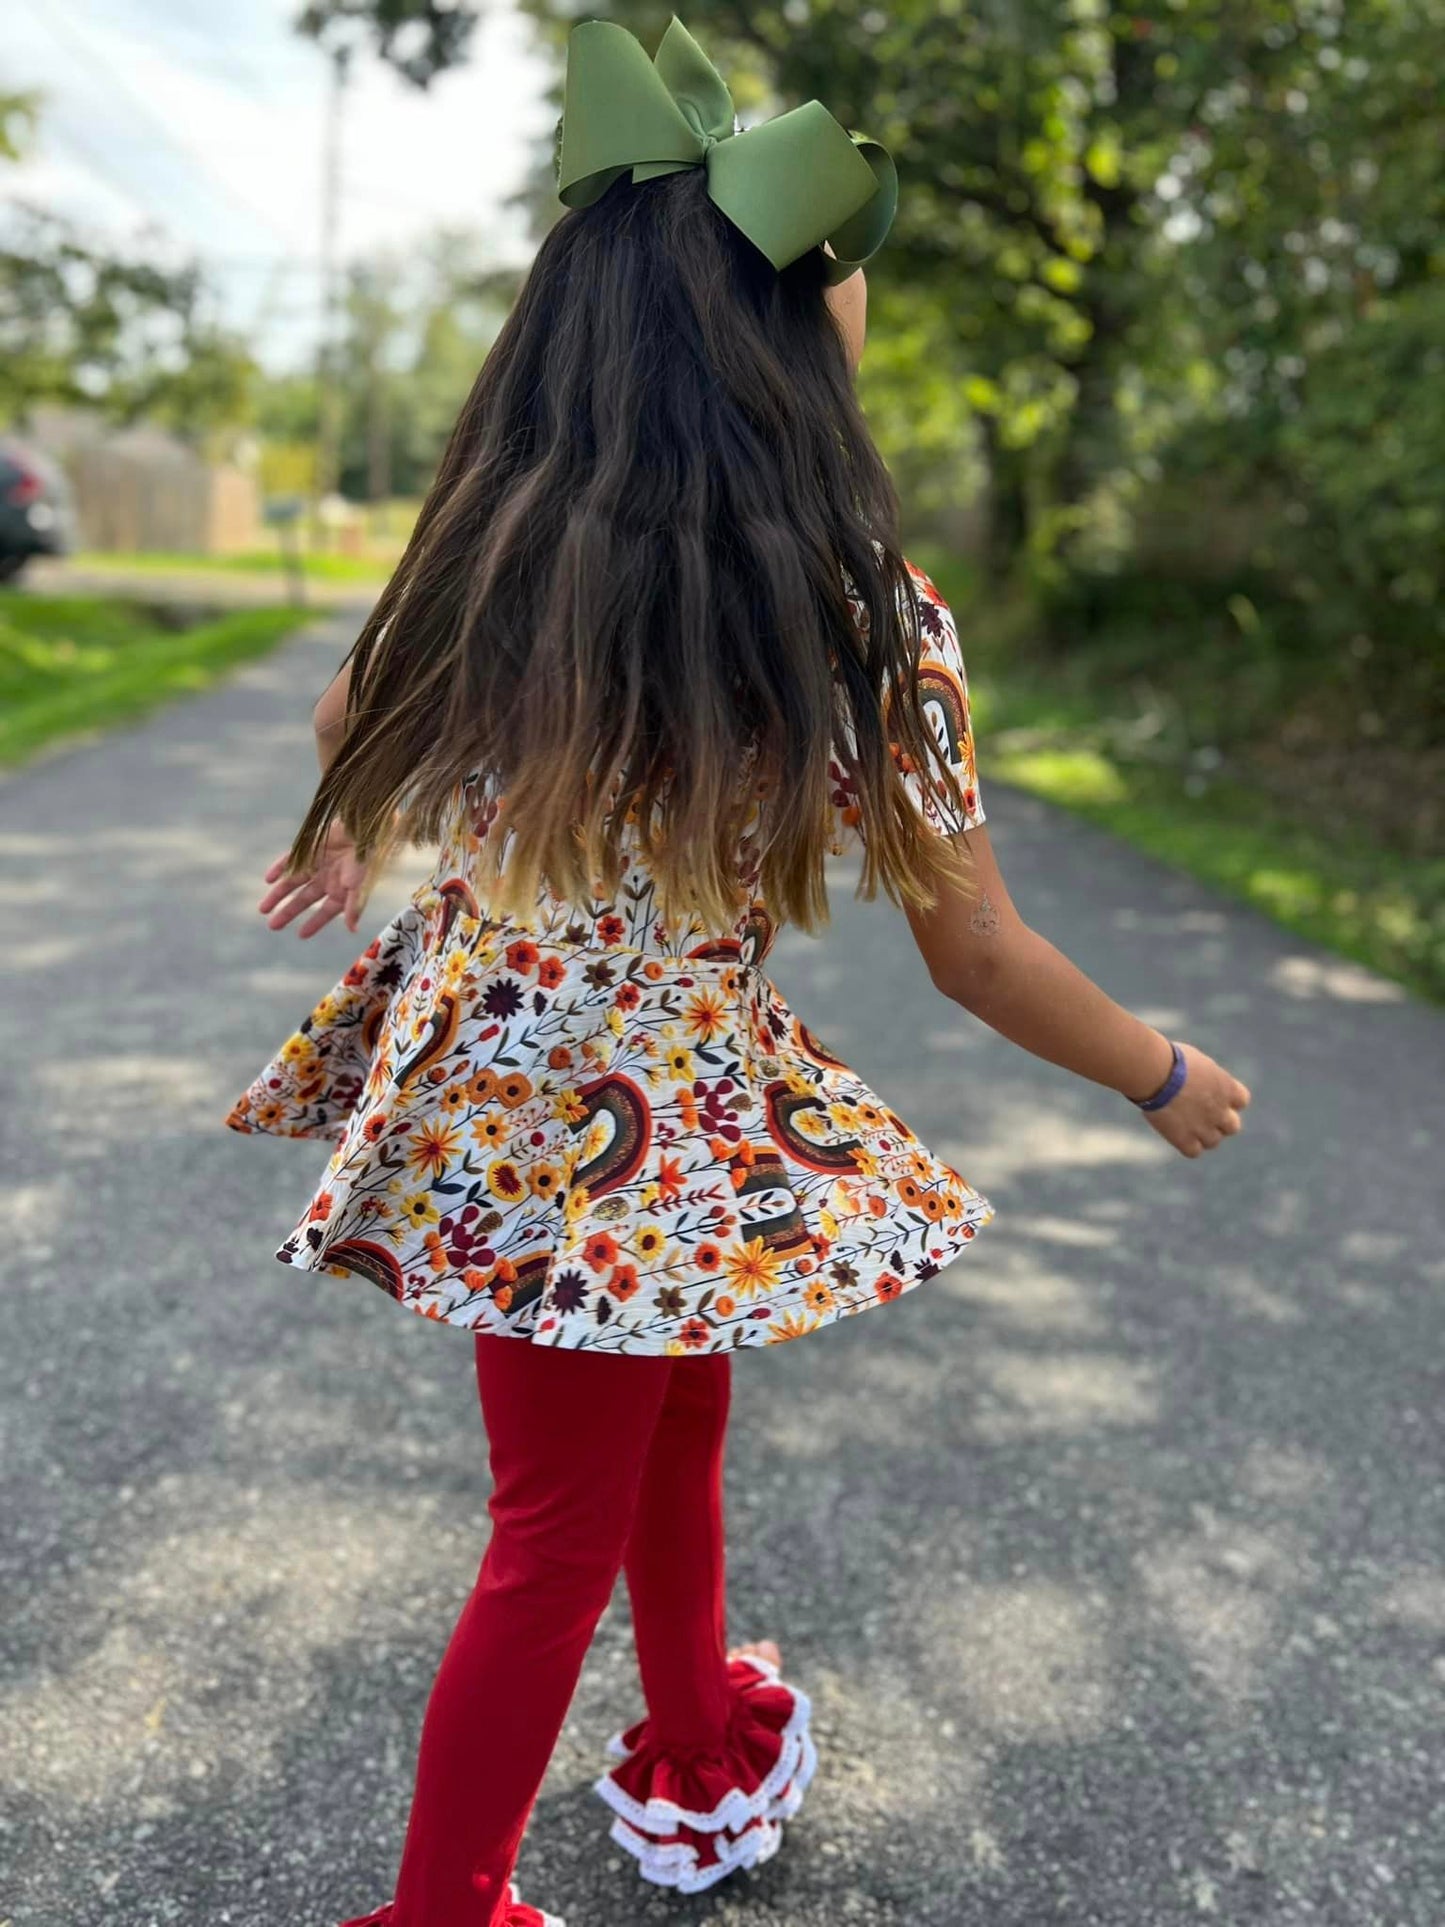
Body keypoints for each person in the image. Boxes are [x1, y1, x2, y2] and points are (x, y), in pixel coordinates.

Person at [227, 19, 1251, 1927]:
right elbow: (979, 947)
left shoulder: (497, 547)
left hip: (584, 1103)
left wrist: (351, 825)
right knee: (548, 1527)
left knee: (674, 1412)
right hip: (606, 1131)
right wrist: (1153, 1066)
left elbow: (349, 699)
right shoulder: (864, 616)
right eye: (838, 290)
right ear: (787, 339)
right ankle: (440, 1905)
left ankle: (697, 1729)